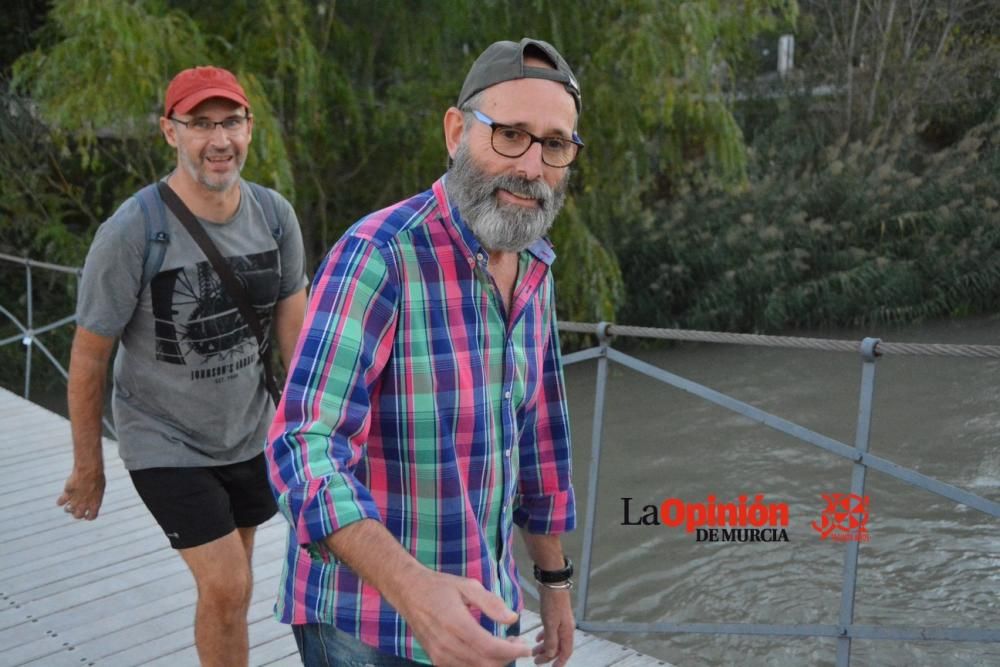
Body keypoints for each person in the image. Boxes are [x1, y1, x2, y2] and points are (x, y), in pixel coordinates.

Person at [267, 38, 582, 667]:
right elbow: (302, 447)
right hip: (364, 623)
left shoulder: (535, 266)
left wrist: (554, 585)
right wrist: (412, 589)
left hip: (485, 604)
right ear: (456, 131)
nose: (532, 166)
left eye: (555, 144)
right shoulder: (378, 256)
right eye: (510, 135)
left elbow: (540, 441)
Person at [57, 66, 308, 667]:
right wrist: (89, 464)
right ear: (170, 132)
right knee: (227, 585)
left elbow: (295, 335)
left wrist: (312, 427)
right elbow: (91, 356)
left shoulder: (274, 217)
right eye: (200, 124)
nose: (218, 140)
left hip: (249, 431)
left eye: (231, 122)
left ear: (250, 128)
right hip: (163, 439)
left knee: (234, 585)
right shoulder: (134, 230)